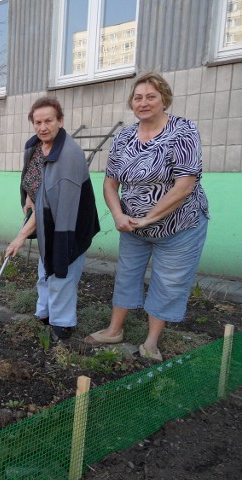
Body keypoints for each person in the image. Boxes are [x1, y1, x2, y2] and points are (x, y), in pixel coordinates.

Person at [84, 72, 209, 362]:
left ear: (164, 99)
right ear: (132, 103)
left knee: (168, 281)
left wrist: (148, 218)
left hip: (181, 226)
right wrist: (118, 215)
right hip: (133, 227)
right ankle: (114, 330)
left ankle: (151, 343)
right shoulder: (124, 136)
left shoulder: (183, 131)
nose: (144, 102)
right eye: (138, 97)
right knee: (127, 275)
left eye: (151, 96)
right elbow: (110, 183)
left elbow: (185, 184)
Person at [6, 97, 100, 341]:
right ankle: (44, 313)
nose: (42, 127)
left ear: (61, 121)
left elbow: (52, 206)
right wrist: (28, 196)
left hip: (70, 226)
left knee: (62, 273)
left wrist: (20, 237)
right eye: (38, 122)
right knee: (44, 272)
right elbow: (34, 180)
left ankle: (62, 325)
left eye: (48, 120)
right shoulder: (36, 146)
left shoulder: (68, 156)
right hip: (48, 223)